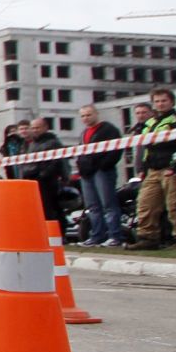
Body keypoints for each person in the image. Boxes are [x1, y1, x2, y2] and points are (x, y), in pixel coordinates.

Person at [127, 89, 176, 250]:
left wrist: (175, 168)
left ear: (172, 102)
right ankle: (147, 238)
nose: (160, 104)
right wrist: (144, 169)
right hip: (152, 170)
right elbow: (147, 149)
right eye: (157, 101)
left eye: (163, 101)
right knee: (145, 204)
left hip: (171, 170)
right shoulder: (150, 123)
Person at [74, 104, 123, 247]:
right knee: (93, 206)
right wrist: (81, 167)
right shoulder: (84, 133)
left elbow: (115, 150)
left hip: (102, 171)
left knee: (108, 204)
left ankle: (115, 235)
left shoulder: (108, 130)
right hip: (86, 173)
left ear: (96, 114)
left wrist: (104, 165)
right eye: (83, 116)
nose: (86, 118)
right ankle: (97, 236)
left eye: (88, 114)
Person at [17, 116, 65, 223]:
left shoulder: (53, 142)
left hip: (47, 181)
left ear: (45, 127)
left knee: (50, 209)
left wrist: (42, 175)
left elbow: (55, 163)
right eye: (33, 128)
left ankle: (57, 235)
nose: (35, 130)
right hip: (33, 180)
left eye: (37, 128)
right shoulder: (31, 144)